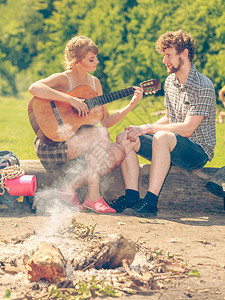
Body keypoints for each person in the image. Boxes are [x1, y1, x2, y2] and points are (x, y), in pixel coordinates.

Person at [28, 35, 143, 214]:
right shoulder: (63, 79)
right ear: (76, 60)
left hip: (79, 145)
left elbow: (105, 121)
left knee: (117, 151)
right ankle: (93, 197)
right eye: (91, 59)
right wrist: (70, 100)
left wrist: (131, 105)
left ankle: (67, 188)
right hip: (52, 144)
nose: (97, 61)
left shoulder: (95, 83)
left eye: (96, 57)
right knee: (100, 134)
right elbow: (34, 88)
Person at [110, 30, 216, 217]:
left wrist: (148, 128)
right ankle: (132, 198)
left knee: (160, 136)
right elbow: (169, 117)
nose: (164, 60)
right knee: (125, 138)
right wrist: (140, 131)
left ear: (184, 54)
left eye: (168, 55)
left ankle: (150, 203)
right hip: (169, 144)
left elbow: (187, 129)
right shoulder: (170, 82)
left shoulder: (203, 86)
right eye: (164, 55)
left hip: (197, 152)